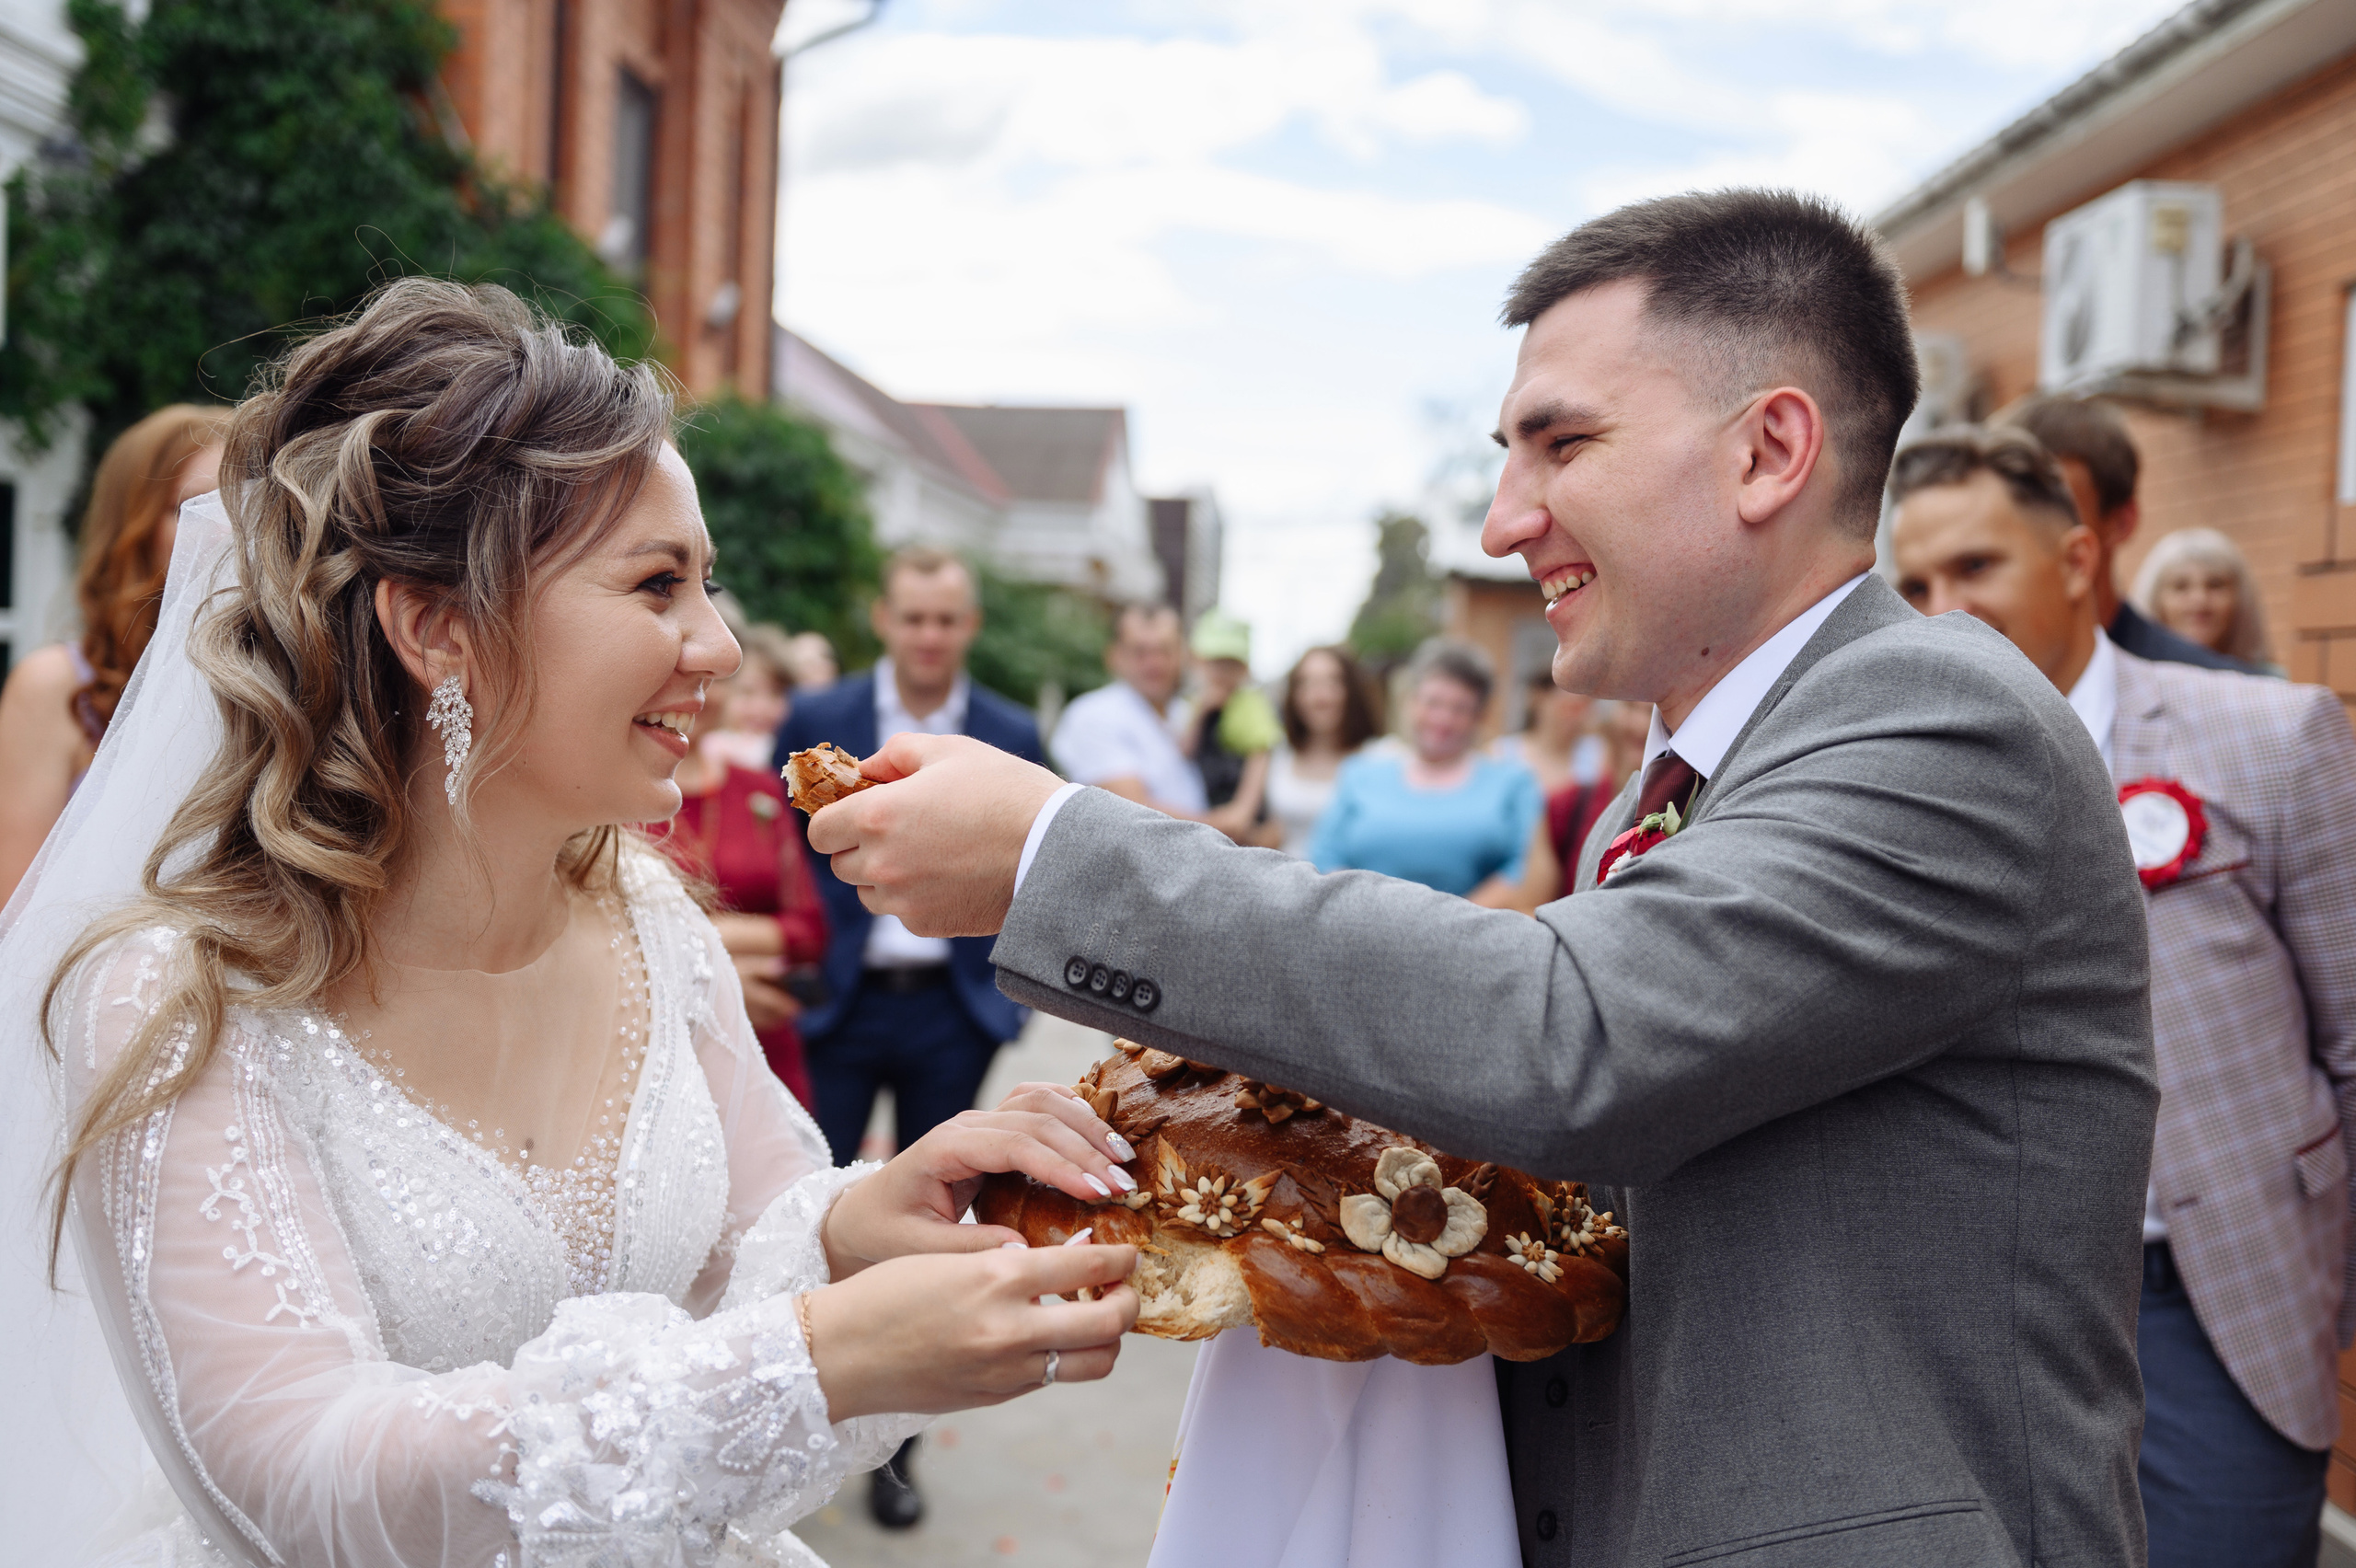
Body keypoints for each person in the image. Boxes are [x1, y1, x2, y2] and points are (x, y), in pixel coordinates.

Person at [808, 190, 2156, 1568]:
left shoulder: (1941, 720)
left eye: (1561, 445)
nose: (1510, 521)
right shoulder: (1673, 779)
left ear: (1770, 451)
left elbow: (1574, 1036)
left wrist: (1055, 852)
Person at [0, 280, 1144, 1568]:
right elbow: (297, 1472)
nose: (716, 643)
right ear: (437, 626)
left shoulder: (653, 920)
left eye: (709, 585)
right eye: (657, 585)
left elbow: (741, 1234)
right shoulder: (179, 998)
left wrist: (863, 1221)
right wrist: (816, 1361)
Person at [1888, 425, 2356, 1568]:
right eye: (1913, 583)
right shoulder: (1884, 775)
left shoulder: (2268, 735)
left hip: (2211, 1302)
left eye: (1975, 567)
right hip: (1970, 1305)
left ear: (2079, 559)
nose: (1941, 607)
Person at [773, 543, 1046, 1528]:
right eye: (914, 616)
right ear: (883, 618)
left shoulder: (1012, 733)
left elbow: (1037, 871)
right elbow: (786, 851)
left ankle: (897, 1452)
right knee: (815, 1219)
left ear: (968, 626)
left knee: (934, 1233)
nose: (930, 636)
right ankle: (798, 1428)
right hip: (842, 1010)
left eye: (948, 619)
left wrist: (1008, 1001)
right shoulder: (818, 719)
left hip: (951, 1015)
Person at [0, 404, 225, 904]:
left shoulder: (276, 681)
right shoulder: (55, 686)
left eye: (240, 504)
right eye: (194, 506)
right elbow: (13, 905)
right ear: (134, 526)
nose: (224, 528)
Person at [645, 655, 828, 1110]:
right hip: (657, 1042)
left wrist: (695, 940)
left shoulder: (759, 791)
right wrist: (719, 983)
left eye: (711, 679)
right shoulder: (614, 798)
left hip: (765, 1041)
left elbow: (810, 929)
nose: (697, 692)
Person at [2000, 395, 2258, 673]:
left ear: (2122, 522)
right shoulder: (1967, 676)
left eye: (2049, 508)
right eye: (2004, 514)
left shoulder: (2206, 689)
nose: (2021, 533)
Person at [1308, 639, 1542, 901]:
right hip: (1363, 927)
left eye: (1460, 708)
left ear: (1480, 716)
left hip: (1473, 932)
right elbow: (1325, 856)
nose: (1442, 719)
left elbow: (1527, 869)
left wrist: (1455, 923)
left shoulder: (1513, 781)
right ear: (1411, 701)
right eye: (1433, 703)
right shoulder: (1360, 774)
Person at [1261, 645, 1382, 857]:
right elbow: (1273, 833)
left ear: (1352, 690)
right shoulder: (1280, 757)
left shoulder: (1383, 758)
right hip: (1286, 882)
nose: (1319, 696)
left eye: (1332, 682)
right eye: (1306, 684)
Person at [2133, 525, 2284, 674]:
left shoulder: (2268, 684)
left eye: (2215, 585)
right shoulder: (2134, 681)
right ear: (2155, 599)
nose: (2199, 599)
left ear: (2241, 597)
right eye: (2181, 586)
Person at [1185, 607, 1279, 828]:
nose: (1222, 672)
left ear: (1244, 668)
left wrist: (1242, 810)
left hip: (1239, 805)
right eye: (1216, 663)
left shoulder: (1253, 705)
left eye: (1231, 665)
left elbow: (1260, 755)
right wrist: (1201, 713)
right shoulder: (1195, 703)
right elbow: (1185, 752)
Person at [700, 617, 798, 770]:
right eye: (747, 692)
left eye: (776, 693)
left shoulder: (793, 761)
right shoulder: (700, 756)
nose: (761, 707)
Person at [1489, 668, 1601, 792]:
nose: (1575, 718)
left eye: (1584, 709)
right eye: (1567, 707)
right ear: (1539, 699)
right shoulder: (1503, 752)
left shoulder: (1596, 753)